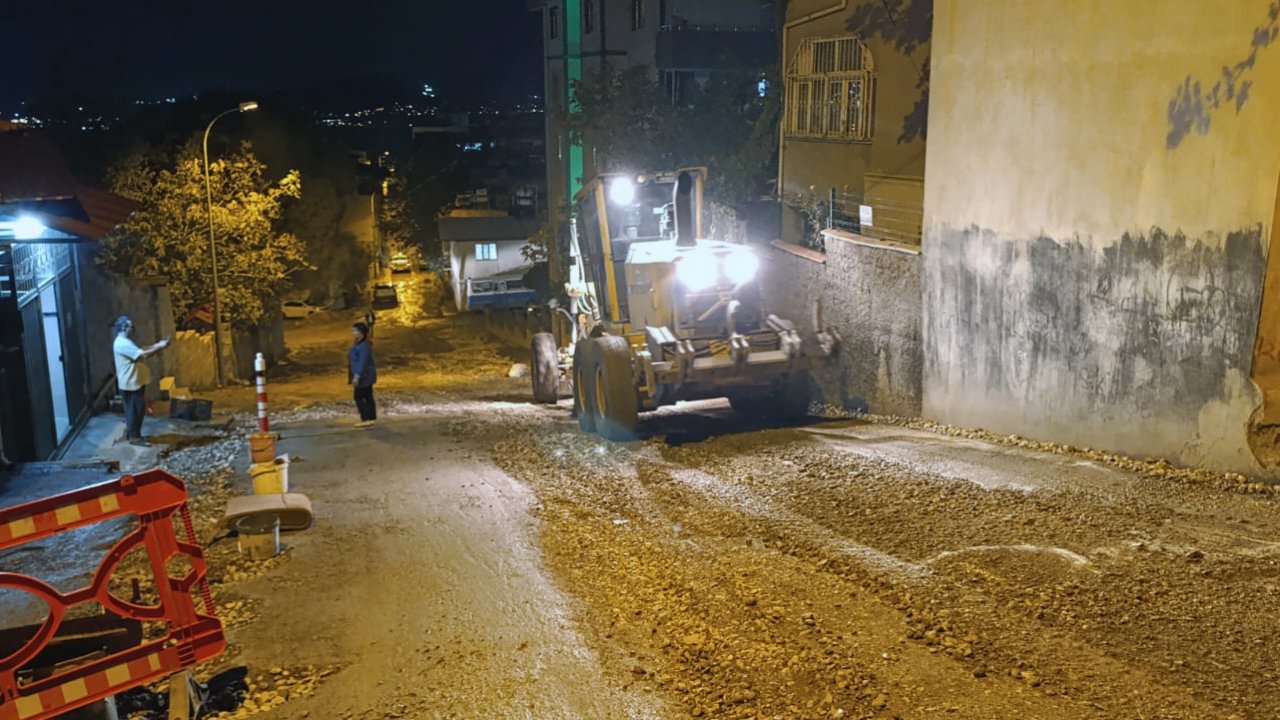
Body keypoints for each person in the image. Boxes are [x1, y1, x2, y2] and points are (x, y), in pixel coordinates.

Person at [113, 316, 169, 445]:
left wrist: (157, 345)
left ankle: (134, 434)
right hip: (130, 383)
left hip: (132, 382)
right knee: (136, 410)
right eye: (130, 326)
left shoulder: (124, 341)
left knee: (134, 409)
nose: (133, 329)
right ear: (124, 328)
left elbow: (141, 350)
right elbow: (143, 354)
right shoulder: (123, 343)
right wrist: (160, 347)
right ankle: (135, 437)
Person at [348, 322, 377, 428]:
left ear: (361, 333)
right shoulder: (360, 344)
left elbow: (362, 362)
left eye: (355, 331)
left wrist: (357, 376)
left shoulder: (363, 346)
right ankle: (371, 418)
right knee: (368, 396)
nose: (353, 333)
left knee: (358, 397)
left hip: (364, 376)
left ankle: (365, 418)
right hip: (366, 375)